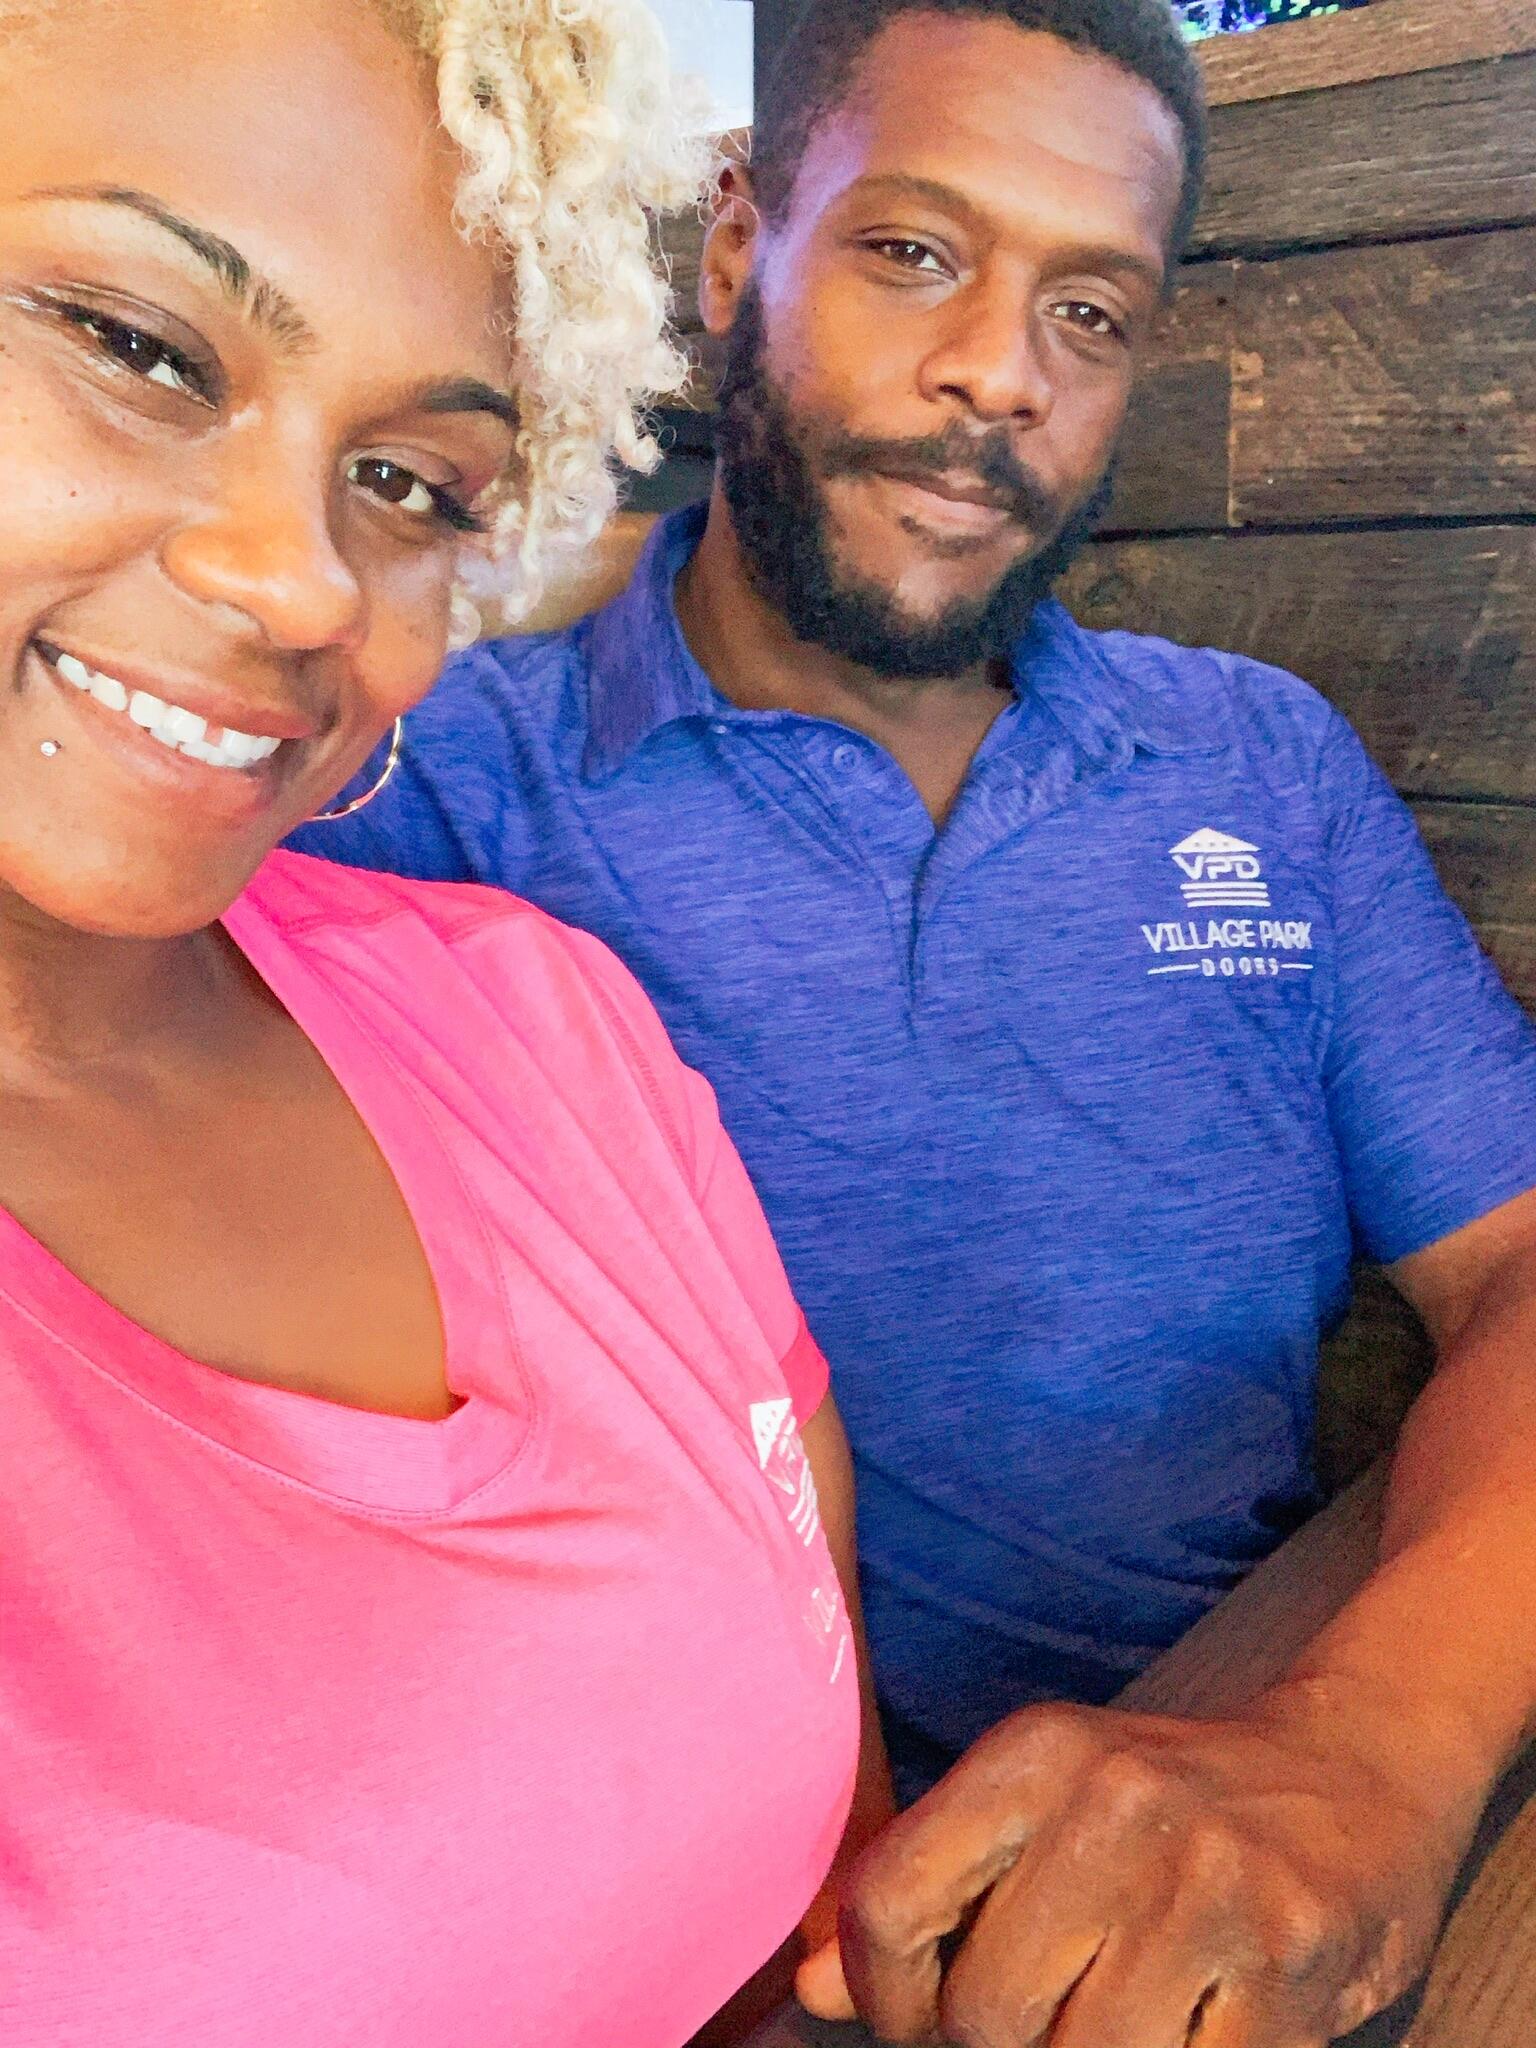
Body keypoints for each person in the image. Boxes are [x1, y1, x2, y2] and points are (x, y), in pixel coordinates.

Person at [297, 0, 1536, 2043]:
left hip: (1289, 1792)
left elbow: (1517, 1264)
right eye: (913, 250)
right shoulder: (439, 807)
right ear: (736, 249)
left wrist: (1369, 1745)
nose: (999, 374)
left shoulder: (1258, 769)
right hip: (731, 1934)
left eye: (1090, 312)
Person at [0, 3, 898, 2043]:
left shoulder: (542, 1026)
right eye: (139, 346)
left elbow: (813, 1800)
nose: (305, 583)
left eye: (409, 481)